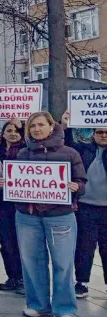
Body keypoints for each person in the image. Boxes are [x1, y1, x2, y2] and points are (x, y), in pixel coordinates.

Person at [9, 111, 86, 317]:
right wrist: (9, 184)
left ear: (52, 127)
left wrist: (76, 186)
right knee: (32, 261)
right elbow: (17, 178)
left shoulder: (70, 153)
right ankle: (37, 304)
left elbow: (82, 183)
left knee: (63, 263)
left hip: (60, 215)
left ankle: (65, 308)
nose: (36, 129)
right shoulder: (23, 153)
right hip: (28, 215)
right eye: (32, 126)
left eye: (41, 125)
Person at [62, 112, 107, 299]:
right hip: (86, 207)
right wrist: (65, 125)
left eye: (106, 132)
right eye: (99, 132)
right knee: (84, 246)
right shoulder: (84, 150)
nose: (103, 135)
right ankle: (81, 282)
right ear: (93, 134)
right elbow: (67, 145)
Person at [0, 120, 25, 294]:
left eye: (17, 130)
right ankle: (12, 276)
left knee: (22, 243)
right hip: (1, 205)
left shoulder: (27, 152)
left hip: (20, 205)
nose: (13, 133)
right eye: (9, 130)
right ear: (3, 133)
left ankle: (23, 278)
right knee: (6, 242)